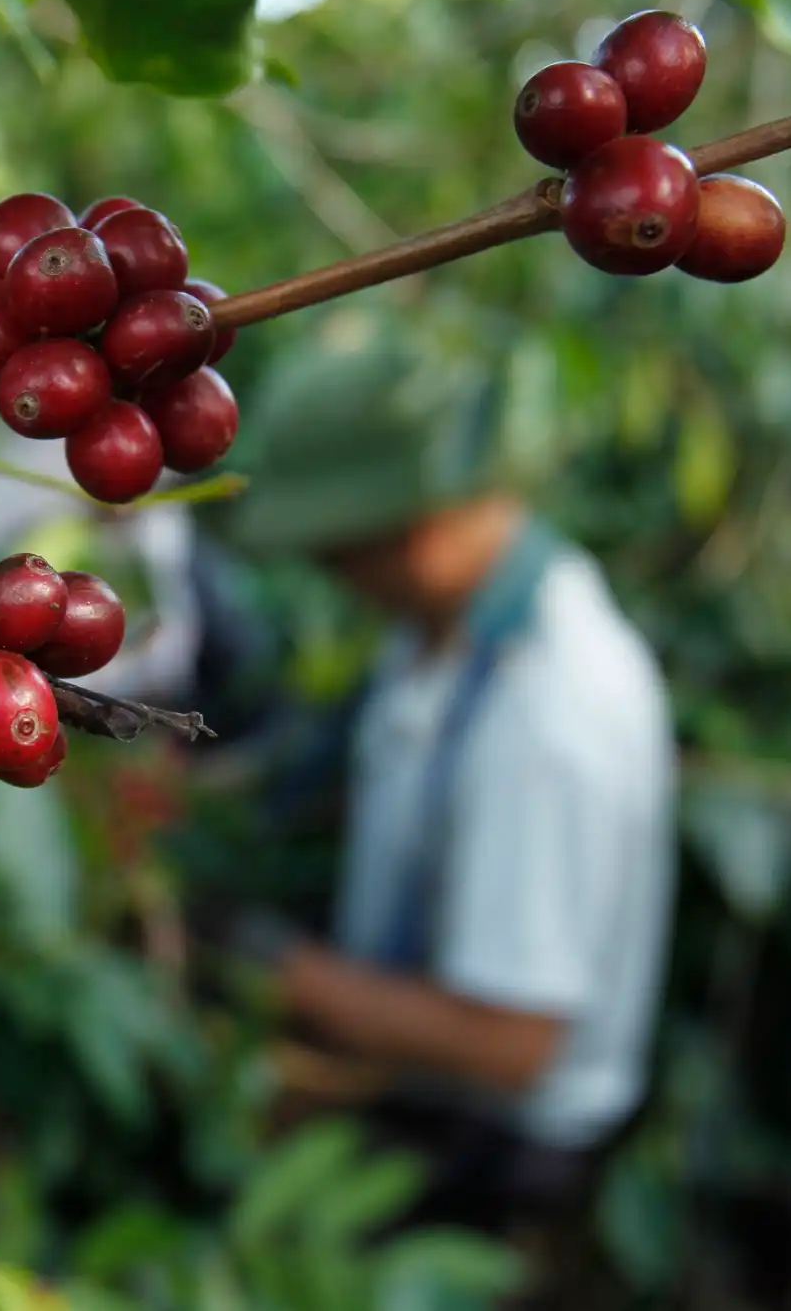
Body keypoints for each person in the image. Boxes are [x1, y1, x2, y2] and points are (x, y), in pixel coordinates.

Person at [200, 304, 679, 1301]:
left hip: (491, 1150)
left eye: (339, 556)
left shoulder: (547, 714)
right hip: (427, 1098)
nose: (334, 581)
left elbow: (512, 1041)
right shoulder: (452, 626)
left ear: (414, 532)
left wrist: (264, 964)